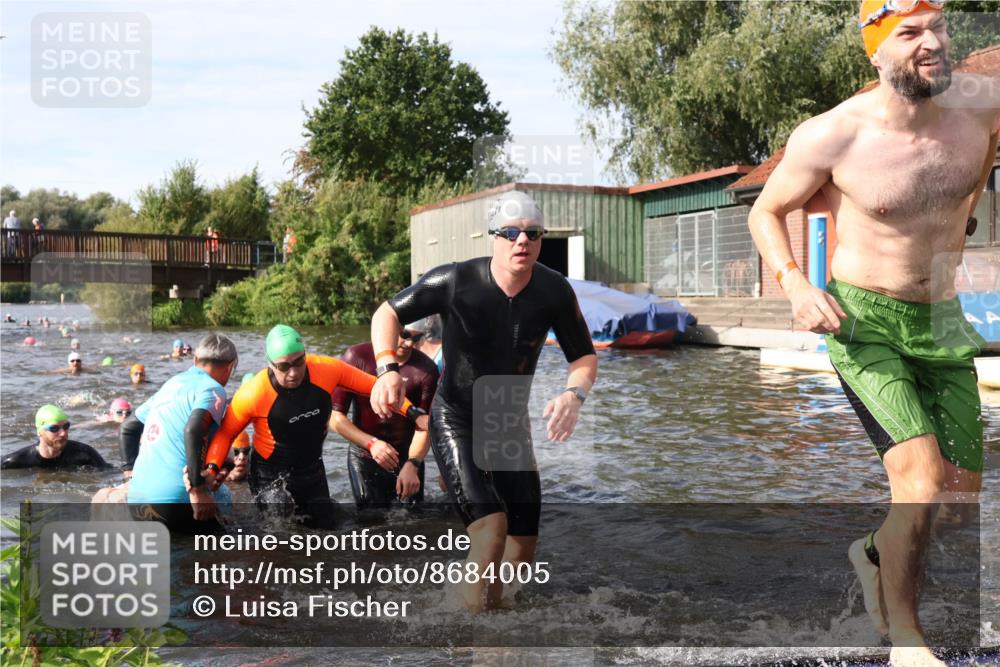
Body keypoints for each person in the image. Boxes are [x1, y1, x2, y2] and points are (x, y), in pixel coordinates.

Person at [747, 3, 998, 664]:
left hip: (943, 320)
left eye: (938, 27)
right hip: (867, 323)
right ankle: (907, 642)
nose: (932, 44)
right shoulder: (834, 135)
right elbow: (766, 210)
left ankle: (872, 551)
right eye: (909, 33)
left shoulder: (981, 106)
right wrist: (797, 283)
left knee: (959, 502)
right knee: (918, 479)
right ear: (876, 53)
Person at [369, 190, 598, 611]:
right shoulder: (457, 281)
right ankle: (480, 635)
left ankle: (499, 618)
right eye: (510, 233)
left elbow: (583, 356)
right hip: (456, 417)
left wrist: (574, 394)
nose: (521, 242)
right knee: (491, 529)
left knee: (522, 544)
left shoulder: (554, 291)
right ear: (494, 237)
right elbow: (387, 313)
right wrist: (387, 369)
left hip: (505, 423)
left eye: (532, 233)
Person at [201, 324, 428, 529]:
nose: (293, 372)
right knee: (280, 525)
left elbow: (376, 387)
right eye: (284, 366)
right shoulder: (252, 393)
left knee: (326, 529)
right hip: (270, 475)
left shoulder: (326, 369)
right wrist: (211, 469)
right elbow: (225, 435)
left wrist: (412, 412)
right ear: (270, 365)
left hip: (312, 470)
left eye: (299, 362)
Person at [123, 333, 238, 533]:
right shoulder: (213, 389)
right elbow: (193, 429)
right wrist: (197, 490)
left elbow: (128, 428)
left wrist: (130, 472)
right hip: (175, 499)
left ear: (195, 361)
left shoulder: (170, 385)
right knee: (233, 528)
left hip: (137, 499)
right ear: (230, 366)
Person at [330, 325, 439, 512]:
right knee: (370, 521)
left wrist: (413, 464)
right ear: (389, 327)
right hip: (365, 454)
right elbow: (334, 417)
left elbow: (424, 425)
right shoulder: (356, 357)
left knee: (415, 522)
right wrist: (371, 444)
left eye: (417, 337)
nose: (409, 343)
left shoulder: (426, 370)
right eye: (404, 335)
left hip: (407, 457)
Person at [2, 405, 108, 469]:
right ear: (40, 432)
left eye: (66, 426)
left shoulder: (85, 453)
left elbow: (110, 473)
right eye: (54, 428)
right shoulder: (16, 460)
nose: (63, 433)